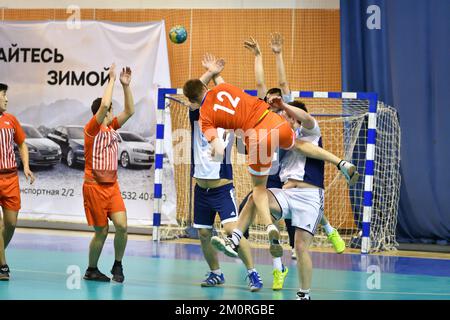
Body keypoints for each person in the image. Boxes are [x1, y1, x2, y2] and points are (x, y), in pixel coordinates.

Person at [183, 58, 296, 259]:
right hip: (268, 138)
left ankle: (261, 245)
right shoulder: (224, 96)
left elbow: (218, 148)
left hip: (260, 160)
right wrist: (214, 73)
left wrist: (216, 150)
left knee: (258, 200)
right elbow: (202, 93)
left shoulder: (207, 118)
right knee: (259, 201)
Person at [219, 96, 328, 300]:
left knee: (301, 246)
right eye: (283, 116)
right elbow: (251, 141)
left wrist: (285, 106)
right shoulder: (282, 137)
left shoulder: (311, 131)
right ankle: (235, 239)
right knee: (255, 197)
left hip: (309, 196)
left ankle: (304, 295)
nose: (284, 118)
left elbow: (304, 117)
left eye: (289, 116)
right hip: (286, 194)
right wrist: (236, 130)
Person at [187, 54, 263, 292]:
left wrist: (218, 76)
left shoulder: (229, 119)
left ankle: (252, 273)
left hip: (221, 187)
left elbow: (231, 98)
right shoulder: (198, 115)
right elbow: (192, 94)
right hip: (200, 189)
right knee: (203, 233)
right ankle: (215, 273)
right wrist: (209, 72)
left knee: (232, 231)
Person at [82, 64, 134, 283]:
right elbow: (104, 104)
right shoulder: (91, 129)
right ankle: (91, 269)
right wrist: (111, 80)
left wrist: (125, 86)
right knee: (101, 232)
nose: (112, 111)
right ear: (101, 113)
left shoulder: (112, 127)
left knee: (122, 226)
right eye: (110, 109)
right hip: (94, 187)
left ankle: (118, 264)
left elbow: (130, 111)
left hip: (112, 186)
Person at [0, 83, 35, 281]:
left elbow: (21, 143)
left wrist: (27, 167)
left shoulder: (11, 120)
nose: (6, 99)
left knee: (11, 224)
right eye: (4, 95)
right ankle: (2, 266)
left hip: (11, 177)